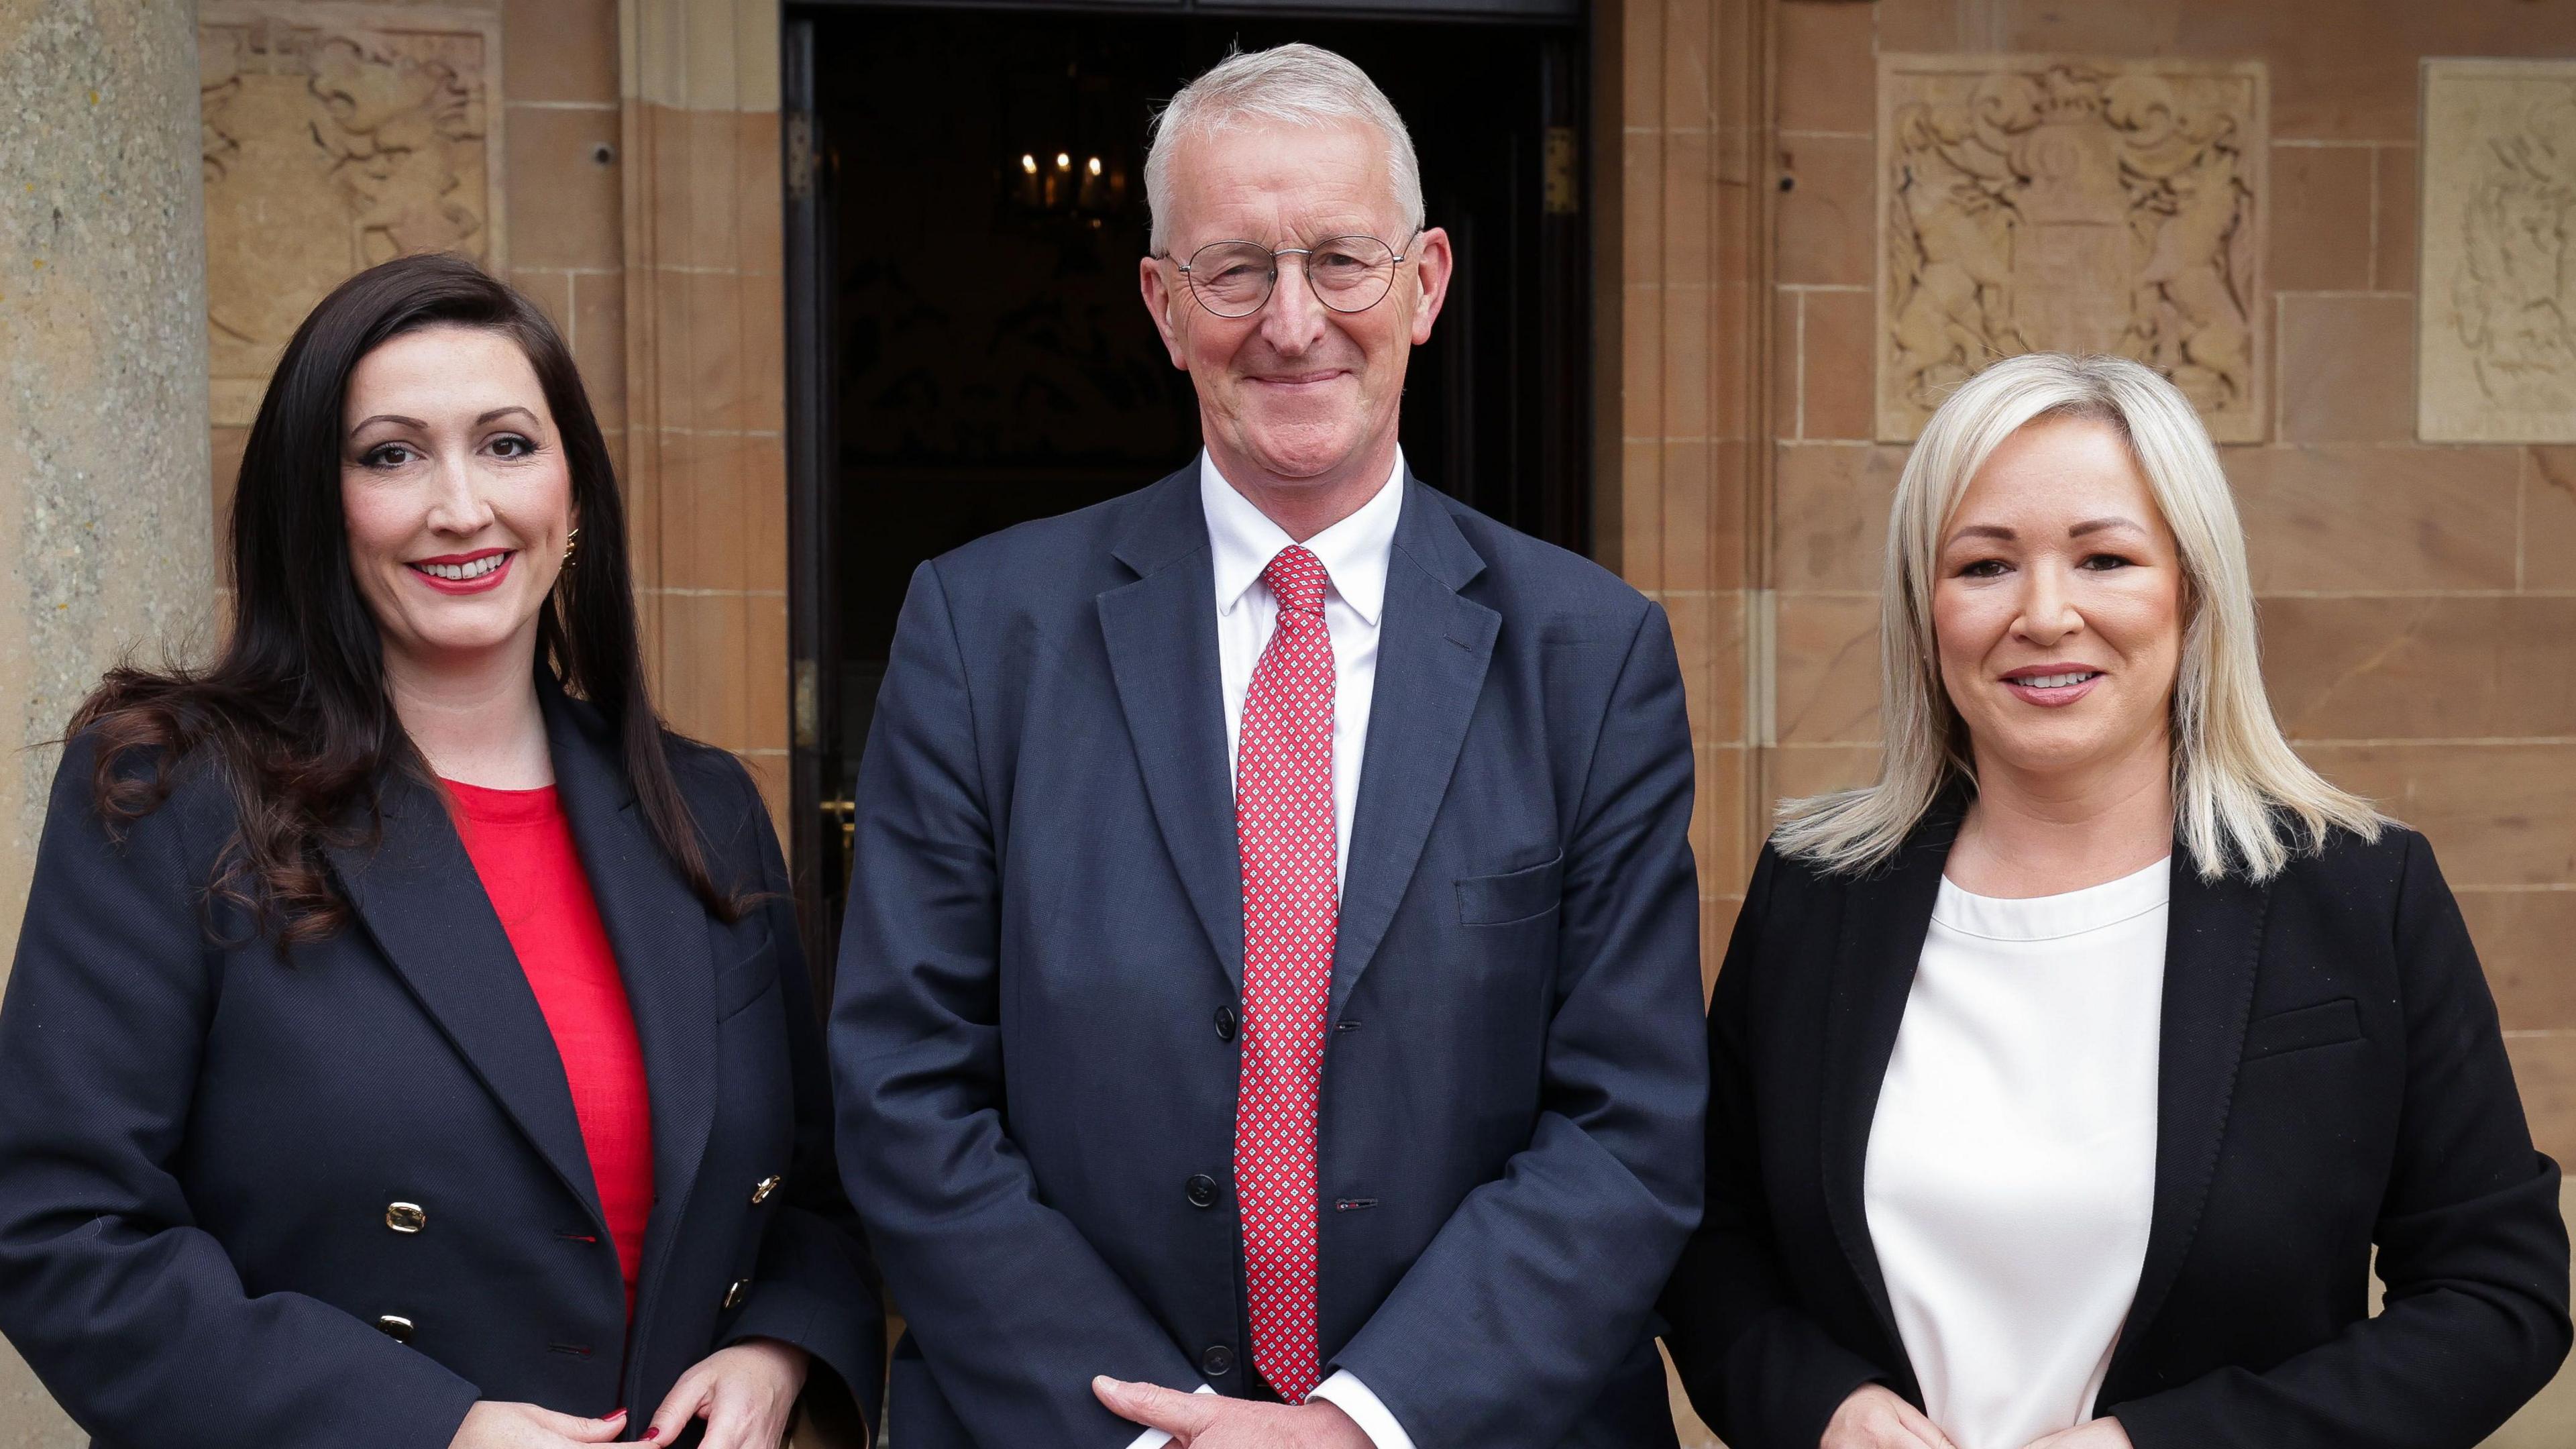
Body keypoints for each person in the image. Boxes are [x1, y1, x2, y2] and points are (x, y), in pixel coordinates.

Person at [833, 42, 1706, 1449]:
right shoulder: (980, 632)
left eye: (1341, 262)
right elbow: (903, 1087)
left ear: (1424, 286)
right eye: (1236, 270)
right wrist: (1157, 1433)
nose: (1293, 322)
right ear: (1163, 308)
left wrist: (1364, 1423)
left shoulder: (1589, 658)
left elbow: (1631, 1123)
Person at [0, 254, 881, 1449]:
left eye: (509, 445)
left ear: (572, 500)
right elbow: (61, 1226)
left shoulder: (705, 803)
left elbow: (813, 1187)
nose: (461, 506)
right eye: (391, 454)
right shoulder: (176, 790)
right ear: (319, 502)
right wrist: (432, 1432)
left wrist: (780, 1350)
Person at [1661, 352, 2572, 1449]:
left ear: (2191, 589)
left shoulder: (2359, 895)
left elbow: (2497, 1298)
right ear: (1926, 604)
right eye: (1985, 566)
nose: (2046, 615)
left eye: (2104, 559)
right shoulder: (1818, 892)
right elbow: (1708, 1235)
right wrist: (1825, 1409)